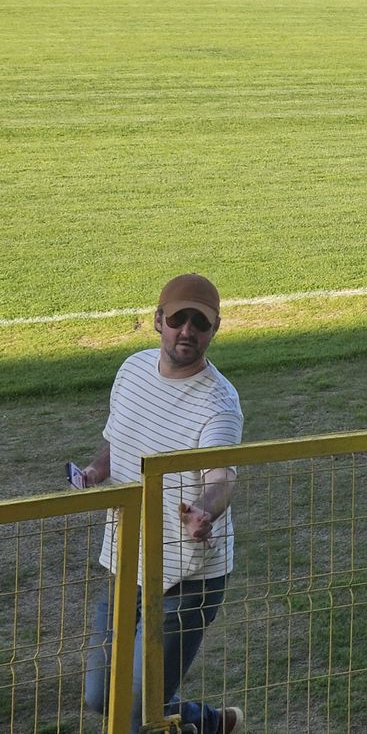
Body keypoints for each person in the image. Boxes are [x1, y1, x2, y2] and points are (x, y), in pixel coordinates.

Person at [76, 273, 244, 734]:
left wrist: (205, 512)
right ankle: (205, 724)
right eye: (177, 319)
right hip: (125, 559)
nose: (186, 330)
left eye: (199, 323)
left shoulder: (218, 404)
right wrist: (96, 471)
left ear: (214, 330)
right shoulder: (131, 370)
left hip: (187, 578)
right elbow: (118, 441)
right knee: (99, 696)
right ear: (157, 320)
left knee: (133, 710)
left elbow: (223, 477)